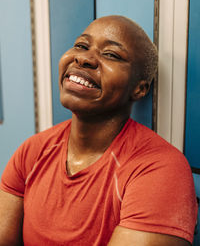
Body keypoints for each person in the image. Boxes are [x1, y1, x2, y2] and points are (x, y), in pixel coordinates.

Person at [0, 15, 197, 246]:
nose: (83, 58)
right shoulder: (33, 151)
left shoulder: (159, 169)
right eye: (81, 46)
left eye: (111, 55)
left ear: (139, 89)